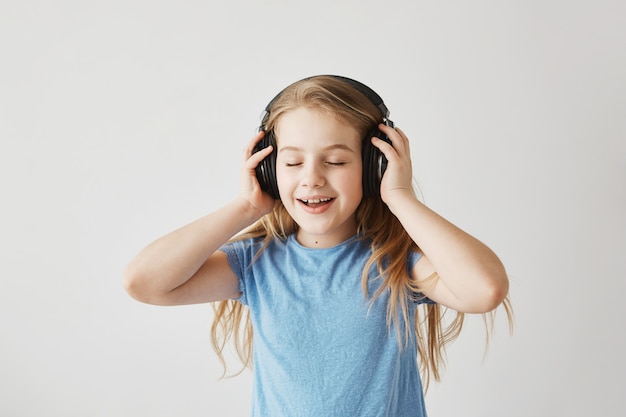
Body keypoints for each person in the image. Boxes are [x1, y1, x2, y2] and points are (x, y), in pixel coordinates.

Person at [123, 75, 512, 417]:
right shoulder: (255, 264)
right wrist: (245, 208)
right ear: (269, 173)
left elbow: (484, 289)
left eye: (337, 162)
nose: (311, 179)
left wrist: (399, 196)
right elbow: (144, 282)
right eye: (292, 164)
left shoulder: (396, 264)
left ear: (374, 165)